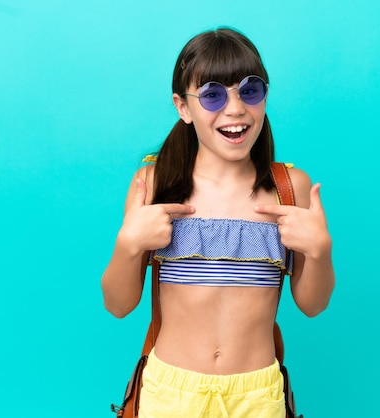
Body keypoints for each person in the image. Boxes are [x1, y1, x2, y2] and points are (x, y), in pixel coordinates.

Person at [101, 27, 335, 418]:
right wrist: (128, 246)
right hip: (170, 393)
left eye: (250, 90)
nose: (235, 109)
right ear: (183, 107)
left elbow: (312, 305)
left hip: (257, 395)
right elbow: (118, 305)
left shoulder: (289, 188)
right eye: (212, 95)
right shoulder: (155, 184)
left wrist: (320, 252)